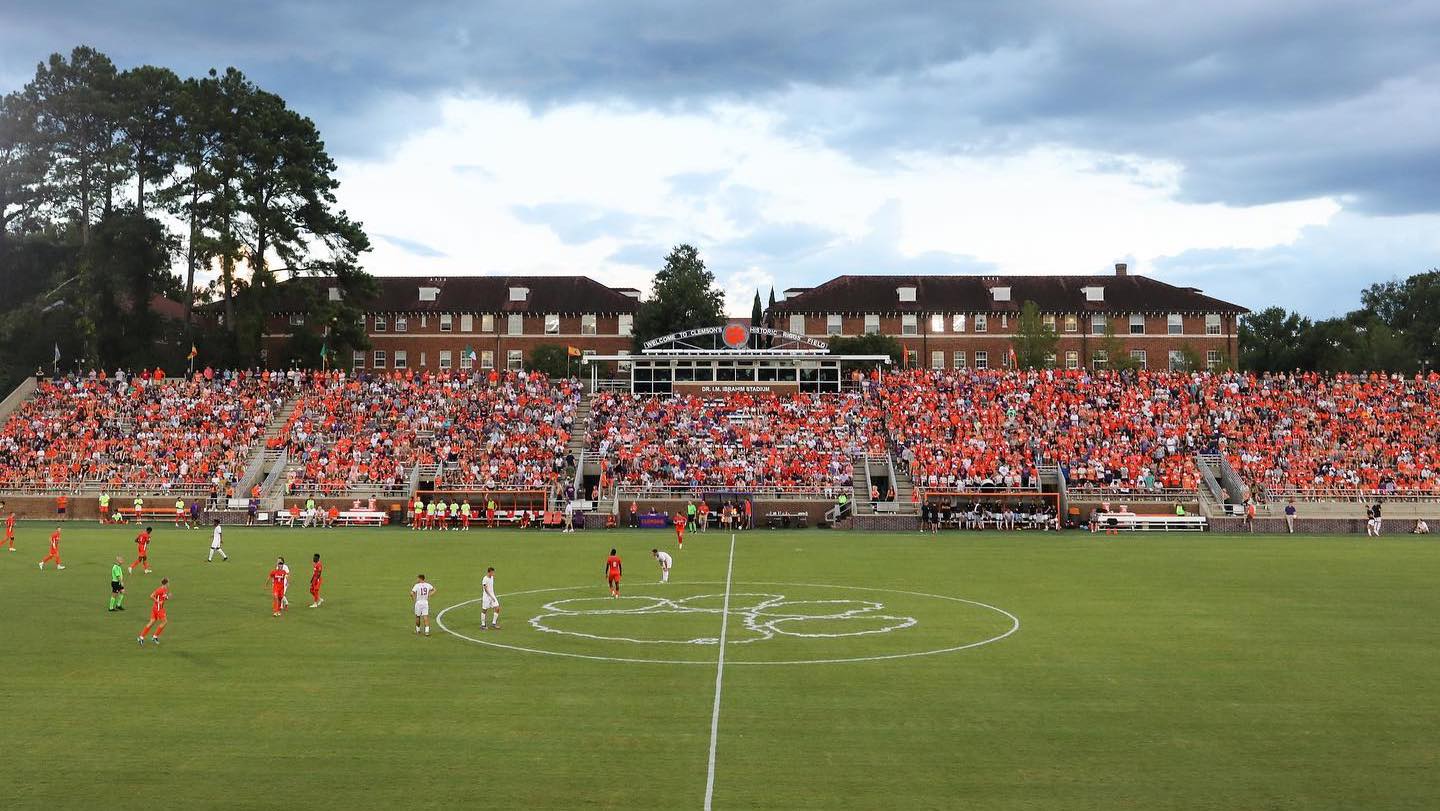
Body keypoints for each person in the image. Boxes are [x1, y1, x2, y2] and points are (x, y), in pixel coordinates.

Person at [137, 578, 170, 646]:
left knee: (152, 622)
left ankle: (141, 637)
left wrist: (167, 597)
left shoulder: (165, 589)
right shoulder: (160, 590)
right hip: (158, 609)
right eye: (168, 582)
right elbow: (151, 596)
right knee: (164, 622)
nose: (169, 584)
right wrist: (158, 601)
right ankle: (155, 636)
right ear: (166, 583)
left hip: (155, 608)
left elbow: (163, 598)